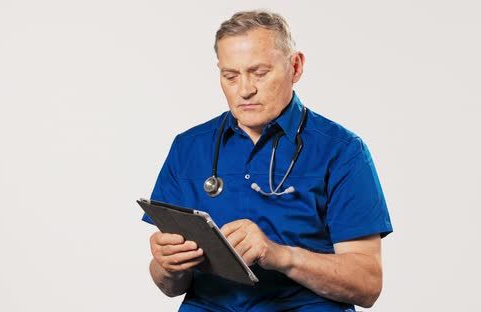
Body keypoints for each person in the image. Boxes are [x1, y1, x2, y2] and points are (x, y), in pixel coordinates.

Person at [142, 10, 393, 312]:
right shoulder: (188, 148)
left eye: (259, 73)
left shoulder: (343, 152)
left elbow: (367, 285)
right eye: (231, 76)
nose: (245, 89)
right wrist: (168, 266)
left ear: (295, 67)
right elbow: (169, 285)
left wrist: (279, 256)